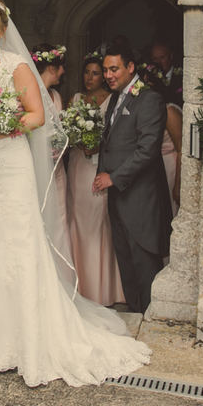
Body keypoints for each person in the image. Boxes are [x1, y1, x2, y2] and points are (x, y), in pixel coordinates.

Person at [0, 0, 151, 387]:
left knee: (16, 247)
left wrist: (0, 127)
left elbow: (36, 116)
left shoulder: (15, 66)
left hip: (8, 166)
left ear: (2, 32)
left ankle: (25, 340)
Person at [92, 45, 173, 314]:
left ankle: (152, 318)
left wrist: (113, 177)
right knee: (126, 260)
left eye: (114, 69)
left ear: (130, 68)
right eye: (105, 70)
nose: (108, 75)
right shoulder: (117, 97)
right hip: (118, 194)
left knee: (143, 262)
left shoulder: (149, 99)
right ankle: (137, 313)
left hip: (141, 197)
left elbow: (147, 150)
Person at [67, 55, 127, 306]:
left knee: (99, 222)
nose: (90, 78)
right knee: (77, 221)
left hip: (99, 168)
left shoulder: (113, 100)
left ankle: (104, 289)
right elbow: (64, 132)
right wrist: (77, 139)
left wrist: (97, 147)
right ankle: (81, 287)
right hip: (77, 165)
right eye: (86, 72)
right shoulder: (75, 99)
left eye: (95, 73)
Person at [33, 42, 70, 257]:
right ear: (52, 68)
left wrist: (61, 147)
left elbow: (61, 132)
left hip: (58, 172)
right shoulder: (29, 93)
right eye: (61, 66)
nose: (64, 71)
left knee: (60, 218)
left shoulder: (56, 96)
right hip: (37, 169)